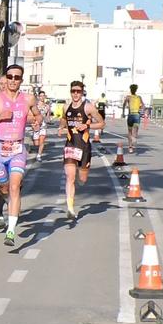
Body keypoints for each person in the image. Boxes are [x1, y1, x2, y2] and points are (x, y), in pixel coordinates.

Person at [0, 62, 42, 248]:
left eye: (17, 77)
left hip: (18, 149)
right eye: (10, 76)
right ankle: (7, 203)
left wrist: (36, 122)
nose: (13, 80)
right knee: (4, 188)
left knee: (15, 187)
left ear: (21, 80)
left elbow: (37, 115)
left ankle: (11, 231)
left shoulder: (28, 99)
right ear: (6, 78)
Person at [61, 81, 95, 221]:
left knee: (82, 178)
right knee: (70, 177)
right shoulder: (66, 106)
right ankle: (70, 208)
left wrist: (87, 125)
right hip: (70, 145)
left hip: (84, 147)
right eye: (73, 91)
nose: (75, 93)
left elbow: (101, 123)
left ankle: (82, 175)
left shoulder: (88, 108)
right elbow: (64, 120)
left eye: (78, 91)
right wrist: (61, 127)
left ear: (82, 92)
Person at [125, 83, 146, 153]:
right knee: (136, 130)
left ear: (130, 90)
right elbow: (143, 106)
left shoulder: (128, 97)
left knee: (129, 131)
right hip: (137, 115)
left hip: (131, 115)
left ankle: (130, 147)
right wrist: (142, 112)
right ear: (136, 90)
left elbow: (124, 105)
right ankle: (134, 139)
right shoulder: (139, 97)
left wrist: (122, 112)